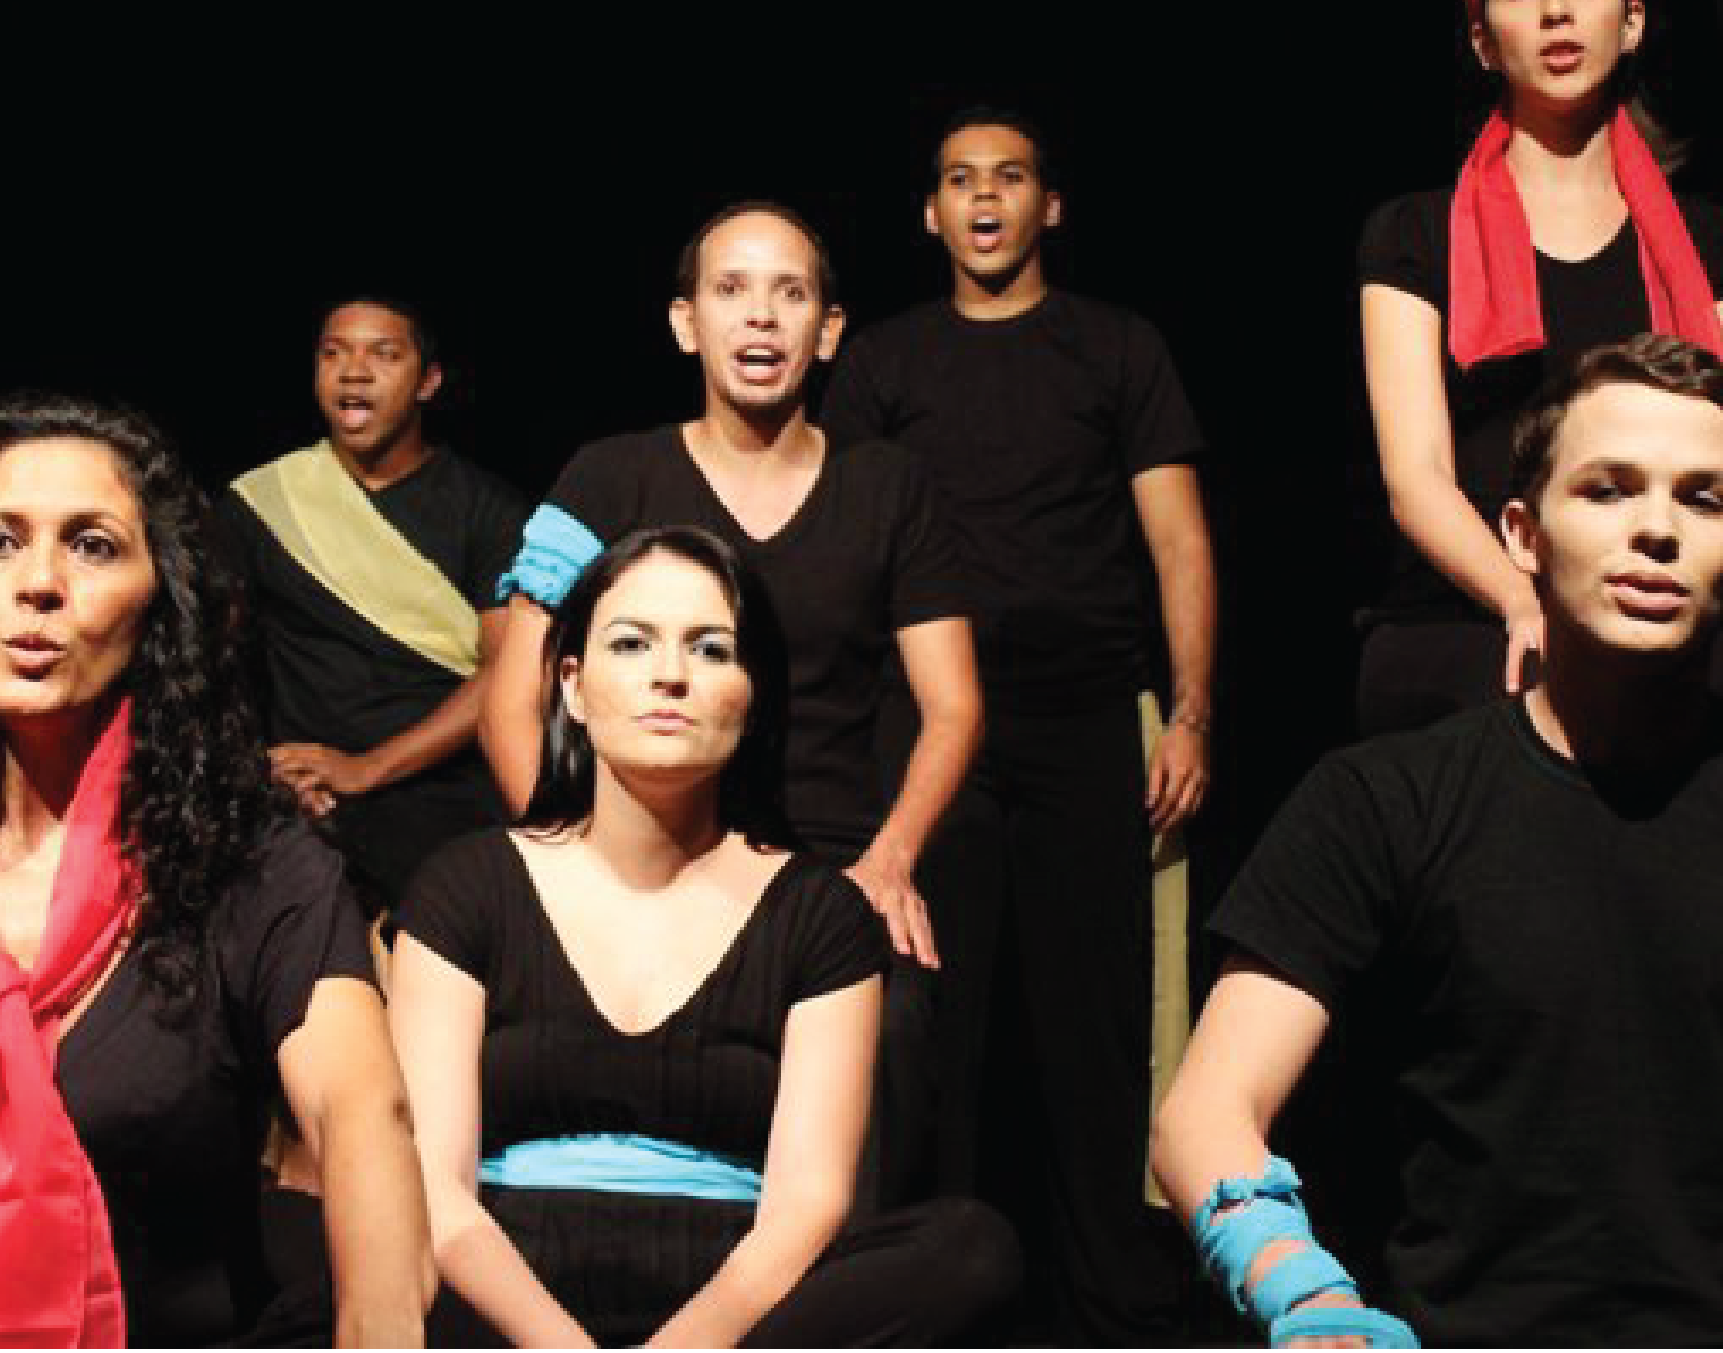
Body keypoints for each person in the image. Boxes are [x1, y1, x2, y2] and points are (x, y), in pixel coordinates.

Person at [1153, 335, 1723, 1350]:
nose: (1655, 530)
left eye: (1704, 499)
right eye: (1607, 489)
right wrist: (1303, 1292)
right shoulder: (1381, 801)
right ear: (1521, 533)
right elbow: (1203, 1111)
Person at [0, 399, 432, 1347]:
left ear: (161, 601)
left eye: (92, 546)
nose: (39, 583)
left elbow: (363, 1110)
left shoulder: (252, 865)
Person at [388, 524, 1022, 1346]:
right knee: (333, 1265)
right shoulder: (467, 887)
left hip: (739, 1301)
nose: (671, 675)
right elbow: (435, 1194)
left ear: (752, 696)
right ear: (572, 685)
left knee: (970, 1250)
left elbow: (807, 1204)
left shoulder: (816, 914)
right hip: (502, 1288)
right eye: (631, 643)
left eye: (711, 650)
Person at [477, 208, 982, 1191]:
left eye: (790, 294)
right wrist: (568, 857)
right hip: (637, 854)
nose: (760, 316)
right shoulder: (608, 475)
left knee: (894, 1028)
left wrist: (891, 859)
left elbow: (953, 706)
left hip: (823, 872)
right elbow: (513, 695)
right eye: (731, 289)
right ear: (685, 322)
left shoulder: (888, 485)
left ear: (827, 330)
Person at [810, 109, 1213, 1341]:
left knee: (1099, 1030)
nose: (983, 198)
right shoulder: (882, 362)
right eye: (958, 180)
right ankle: (928, 1301)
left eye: (1009, 176)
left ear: (1050, 205)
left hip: (1089, 715)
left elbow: (1177, 541)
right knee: (933, 1023)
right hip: (934, 728)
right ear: (929, 213)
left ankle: (1116, 1308)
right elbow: (845, 545)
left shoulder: (1116, 346)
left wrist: (1190, 713)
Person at [1349, 0, 1723, 733]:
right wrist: (1522, 601)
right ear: (1483, 42)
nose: (1556, 11)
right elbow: (1416, 478)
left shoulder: (1707, 239)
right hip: (1467, 611)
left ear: (1631, 21)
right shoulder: (1414, 233)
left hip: (1645, 592)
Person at [225, 295, 539, 916]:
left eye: (384, 355)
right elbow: (208, 660)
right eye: (333, 354)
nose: (354, 372)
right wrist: (258, 771)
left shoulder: (489, 510)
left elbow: (509, 670)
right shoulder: (262, 504)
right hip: (300, 796)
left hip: (442, 792)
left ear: (428, 381)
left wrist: (367, 768)